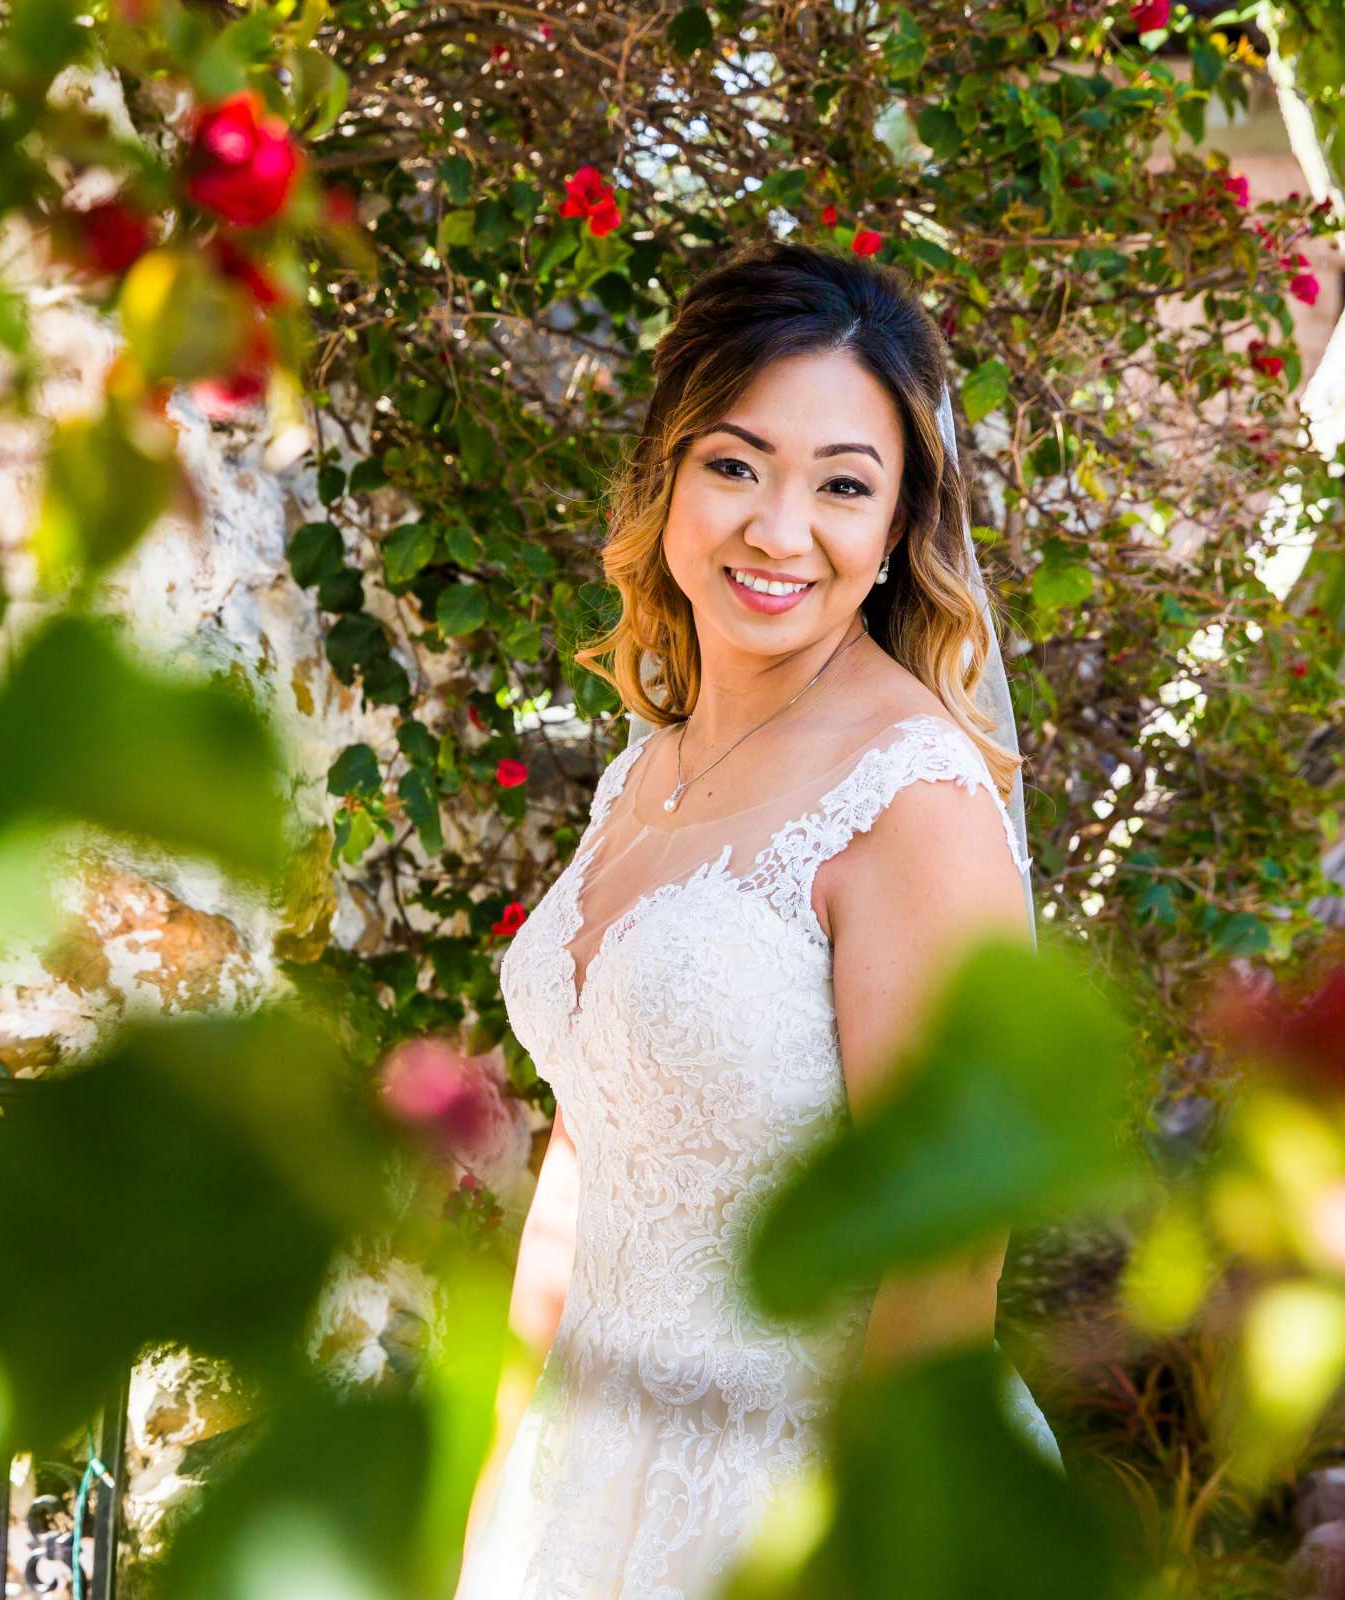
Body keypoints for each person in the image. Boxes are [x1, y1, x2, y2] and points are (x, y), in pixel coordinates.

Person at [454, 238, 1061, 1599]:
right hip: (588, 1475)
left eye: (843, 486)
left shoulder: (914, 800)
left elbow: (948, 1253)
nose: (780, 532)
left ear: (900, 526)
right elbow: (596, 1139)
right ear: (668, 472)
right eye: (737, 465)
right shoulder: (645, 768)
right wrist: (501, 1476)